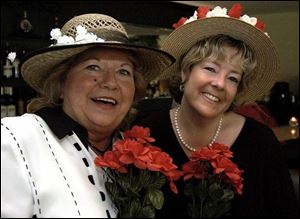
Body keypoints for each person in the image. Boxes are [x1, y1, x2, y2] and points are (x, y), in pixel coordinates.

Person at [1, 13, 174, 217]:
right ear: (61, 83)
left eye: (123, 72)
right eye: (93, 67)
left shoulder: (135, 156)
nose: (110, 82)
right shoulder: (15, 140)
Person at [134, 3, 298, 218]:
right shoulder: (146, 135)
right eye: (210, 68)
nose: (220, 83)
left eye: (232, 78)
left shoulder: (261, 142)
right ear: (185, 72)